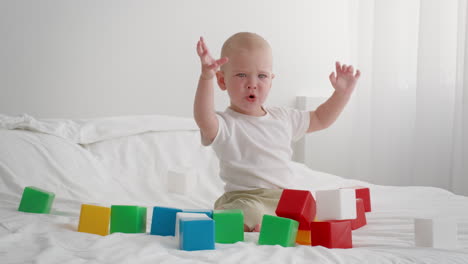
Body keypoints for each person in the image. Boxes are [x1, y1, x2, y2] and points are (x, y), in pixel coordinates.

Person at [193, 32, 360, 232]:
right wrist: (206, 77)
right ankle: (243, 221)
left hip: (283, 199)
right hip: (246, 198)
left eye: (262, 76)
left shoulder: (283, 118)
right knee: (249, 212)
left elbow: (320, 118)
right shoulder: (225, 124)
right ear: (222, 81)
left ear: (271, 81)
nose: (252, 83)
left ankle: (270, 224)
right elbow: (203, 118)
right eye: (241, 75)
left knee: (313, 210)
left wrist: (341, 94)